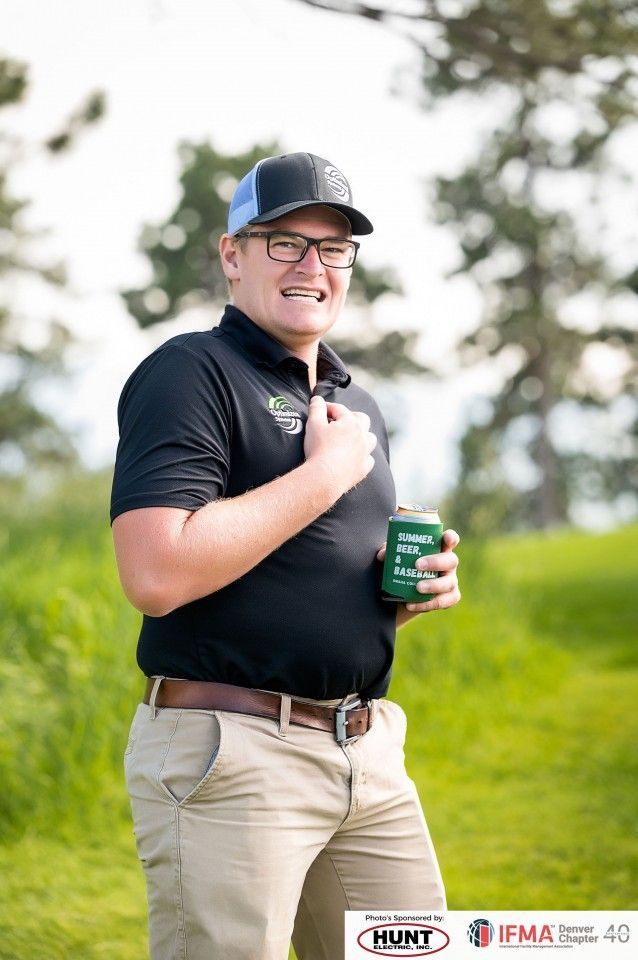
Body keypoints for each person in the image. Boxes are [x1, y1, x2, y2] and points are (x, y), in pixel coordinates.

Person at [110, 151, 461, 960]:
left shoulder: (353, 402)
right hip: (234, 754)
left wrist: (396, 598)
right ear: (232, 255)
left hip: (365, 754)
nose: (313, 265)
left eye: (333, 248)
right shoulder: (190, 372)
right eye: (284, 242)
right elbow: (156, 574)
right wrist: (326, 474)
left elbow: (295, 570)